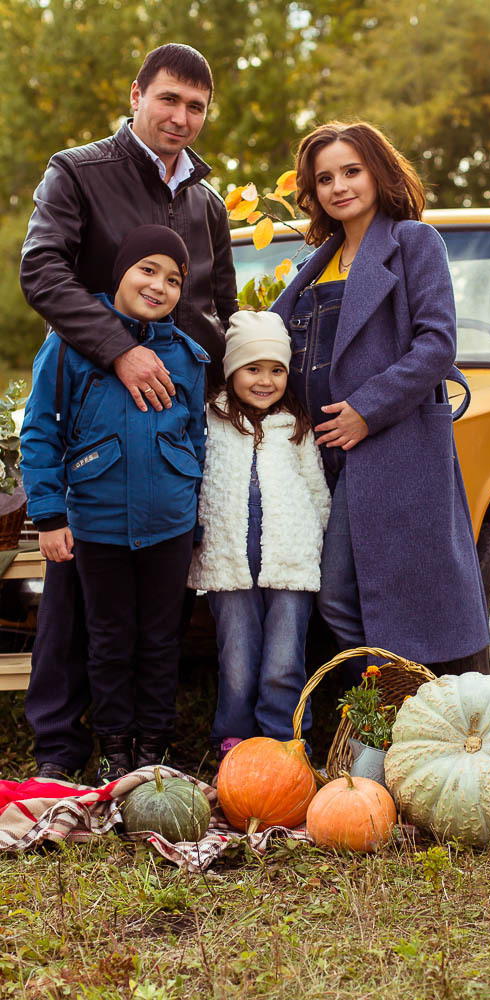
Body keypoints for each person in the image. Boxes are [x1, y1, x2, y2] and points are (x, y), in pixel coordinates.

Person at [19, 43, 237, 780]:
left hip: (172, 428)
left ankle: (149, 745)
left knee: (153, 623)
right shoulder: (78, 170)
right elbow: (42, 269)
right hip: (93, 416)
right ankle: (61, 749)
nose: (180, 117)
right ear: (138, 93)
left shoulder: (205, 200)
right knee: (78, 612)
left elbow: (219, 304)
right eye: (168, 99)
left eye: (195, 107)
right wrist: (118, 349)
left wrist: (217, 386)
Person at [271, 121, 490, 673]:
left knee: (345, 595)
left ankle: (396, 722)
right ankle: (388, 723)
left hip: (391, 447)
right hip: (315, 453)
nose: (339, 186)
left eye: (352, 171)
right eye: (324, 178)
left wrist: (367, 411)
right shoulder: (315, 262)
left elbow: (437, 343)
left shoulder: (414, 242)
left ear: (378, 172)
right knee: (341, 598)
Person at [21, 226, 208, 783]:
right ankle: (115, 746)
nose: (159, 286)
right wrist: (50, 515)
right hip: (96, 521)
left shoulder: (188, 356)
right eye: (147, 270)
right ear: (121, 272)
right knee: (107, 639)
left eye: (173, 279)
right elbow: (39, 432)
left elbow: (195, 435)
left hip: (169, 523)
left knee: (159, 639)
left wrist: (191, 511)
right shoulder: (72, 342)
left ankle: (153, 746)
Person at [188, 311, 330, 760]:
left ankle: (284, 744)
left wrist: (314, 543)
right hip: (228, 561)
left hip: (290, 562)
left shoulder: (296, 427)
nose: (265, 380)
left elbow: (317, 492)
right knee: (237, 657)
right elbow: (199, 481)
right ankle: (233, 739)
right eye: (253, 369)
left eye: (276, 370)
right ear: (231, 371)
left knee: (285, 660)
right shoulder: (212, 420)